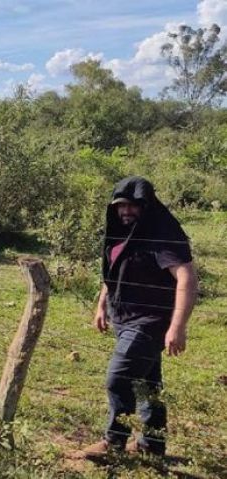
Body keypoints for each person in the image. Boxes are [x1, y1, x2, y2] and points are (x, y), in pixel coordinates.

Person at [73, 176, 197, 460]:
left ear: (147, 205)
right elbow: (115, 271)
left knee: (119, 379)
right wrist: (101, 305)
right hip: (124, 319)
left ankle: (113, 443)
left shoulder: (162, 234)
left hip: (150, 321)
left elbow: (186, 277)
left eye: (133, 206)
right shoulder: (123, 232)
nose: (126, 211)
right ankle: (152, 446)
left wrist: (178, 326)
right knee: (147, 385)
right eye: (121, 205)